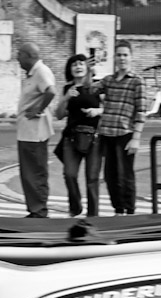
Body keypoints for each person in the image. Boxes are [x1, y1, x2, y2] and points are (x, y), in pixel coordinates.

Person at [94, 41, 147, 216]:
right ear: (114, 58)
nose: (122, 58)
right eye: (119, 55)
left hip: (125, 134)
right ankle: (118, 209)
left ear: (131, 57)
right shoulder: (108, 80)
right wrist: (89, 70)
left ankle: (129, 211)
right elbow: (91, 89)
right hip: (107, 133)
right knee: (110, 176)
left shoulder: (136, 81)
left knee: (125, 175)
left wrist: (136, 138)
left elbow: (141, 111)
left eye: (125, 55)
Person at [52, 53, 102, 217]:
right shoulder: (68, 88)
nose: (78, 67)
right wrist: (65, 98)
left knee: (92, 179)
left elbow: (108, 108)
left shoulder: (96, 86)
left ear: (87, 67)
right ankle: (75, 208)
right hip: (72, 138)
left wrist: (97, 111)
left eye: (81, 63)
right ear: (70, 69)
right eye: (74, 64)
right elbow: (59, 115)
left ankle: (93, 215)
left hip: (93, 137)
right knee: (69, 174)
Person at [12, 42, 57, 218]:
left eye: (20, 54)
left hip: (35, 133)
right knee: (28, 172)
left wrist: (38, 109)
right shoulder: (32, 73)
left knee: (35, 172)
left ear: (30, 56)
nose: (17, 57)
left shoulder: (41, 71)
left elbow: (51, 92)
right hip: (27, 132)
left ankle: (39, 210)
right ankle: (34, 209)